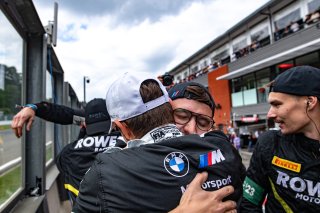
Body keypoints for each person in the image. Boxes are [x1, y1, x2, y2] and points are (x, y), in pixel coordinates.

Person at [73, 72, 245, 212]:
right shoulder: (225, 152)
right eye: (182, 116)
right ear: (168, 108)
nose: (191, 129)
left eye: (203, 122)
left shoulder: (106, 172)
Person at [240, 65, 320, 212]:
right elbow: (248, 204)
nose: (270, 114)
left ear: (310, 101)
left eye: (277, 104)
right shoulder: (270, 144)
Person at [55, 98, 125, 205]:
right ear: (112, 121)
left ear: (85, 124)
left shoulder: (68, 152)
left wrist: (83, 135)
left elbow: (62, 165)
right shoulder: (128, 141)